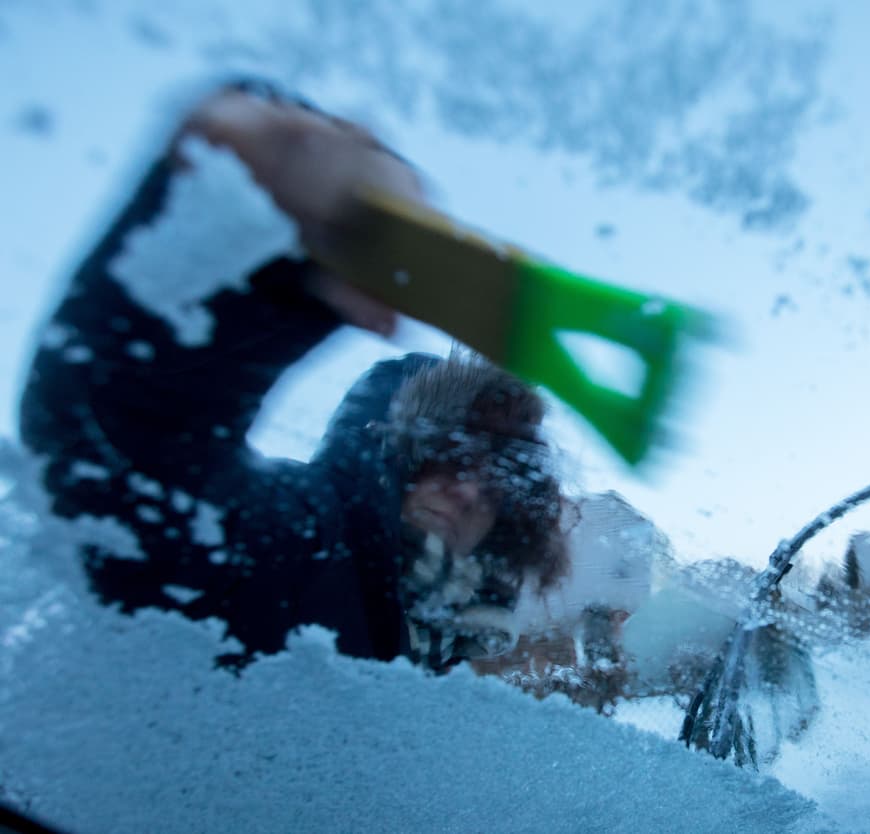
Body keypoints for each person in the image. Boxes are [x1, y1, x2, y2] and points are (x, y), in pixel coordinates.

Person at [19, 79, 569, 672]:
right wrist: (258, 252)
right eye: (450, 455)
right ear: (398, 446)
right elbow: (123, 443)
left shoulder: (461, 650)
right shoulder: (290, 542)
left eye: (495, 484)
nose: (466, 491)